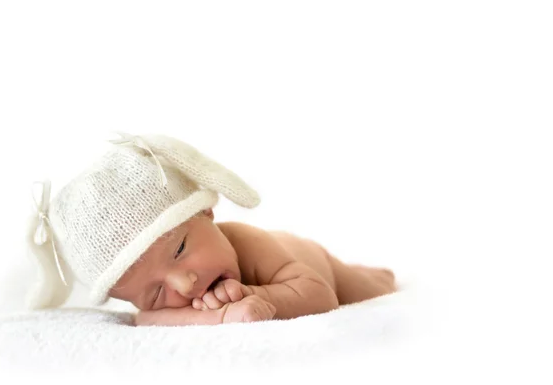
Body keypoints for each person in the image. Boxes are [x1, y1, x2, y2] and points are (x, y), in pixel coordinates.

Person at [27, 132, 396, 326]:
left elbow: (320, 295)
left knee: (370, 290)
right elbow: (147, 320)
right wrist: (221, 316)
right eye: (155, 293)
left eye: (179, 250)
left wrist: (264, 299)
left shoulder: (248, 243)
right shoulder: (157, 308)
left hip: (314, 263)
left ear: (205, 213)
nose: (184, 285)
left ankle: (372, 273)